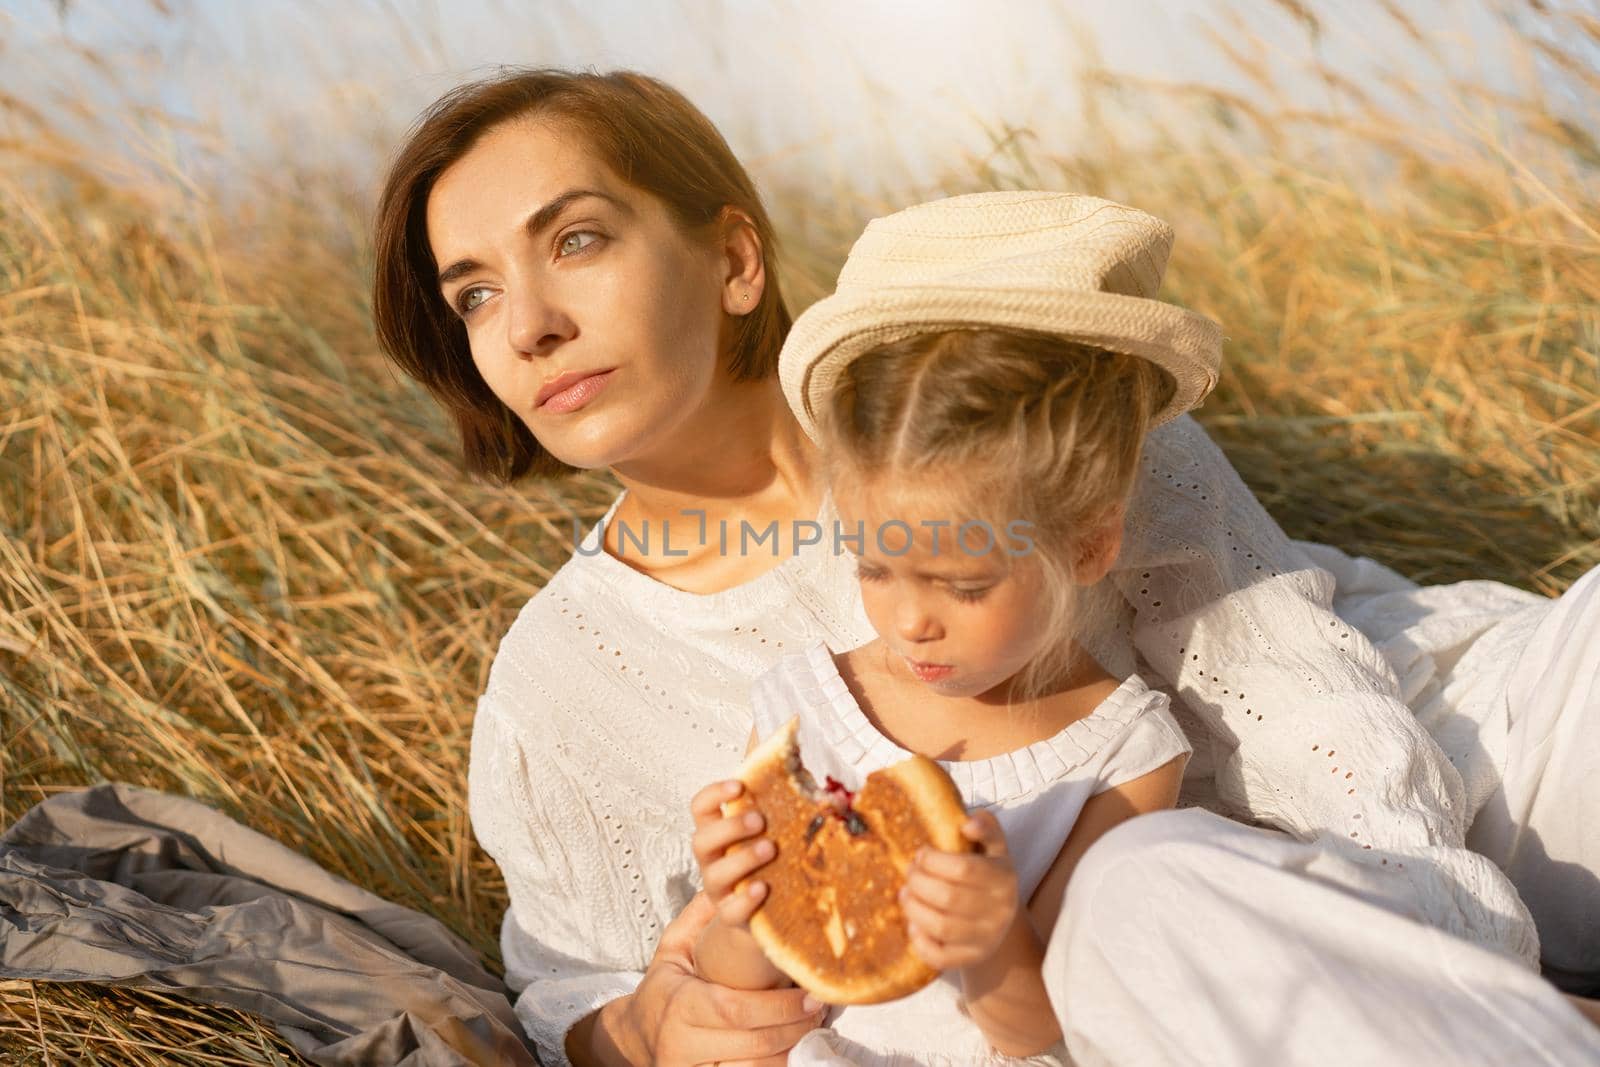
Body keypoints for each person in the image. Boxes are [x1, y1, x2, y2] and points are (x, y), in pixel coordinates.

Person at [371, 67, 1600, 1066]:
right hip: (1150, 941)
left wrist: (1463, 959)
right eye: (473, 294)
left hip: (1442, 758)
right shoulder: (563, 681)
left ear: (734, 258)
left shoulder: (984, 378)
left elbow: (1312, 708)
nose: (527, 324)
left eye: (574, 240)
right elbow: (561, 984)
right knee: (1148, 887)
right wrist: (641, 1023)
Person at [688, 201, 1198, 1064]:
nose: (908, 620)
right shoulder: (804, 709)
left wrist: (992, 938)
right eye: (873, 568)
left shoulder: (1132, 757)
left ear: (1087, 544)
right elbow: (737, 981)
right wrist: (738, 904)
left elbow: (1045, 1030)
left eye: (962, 585)